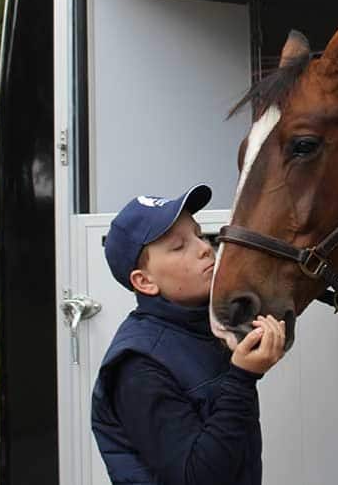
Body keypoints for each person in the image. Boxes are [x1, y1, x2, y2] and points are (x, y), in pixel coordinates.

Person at [92, 183, 286, 485]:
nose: (205, 248)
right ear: (145, 281)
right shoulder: (138, 367)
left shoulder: (201, 328)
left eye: (198, 234)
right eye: (179, 246)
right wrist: (243, 377)